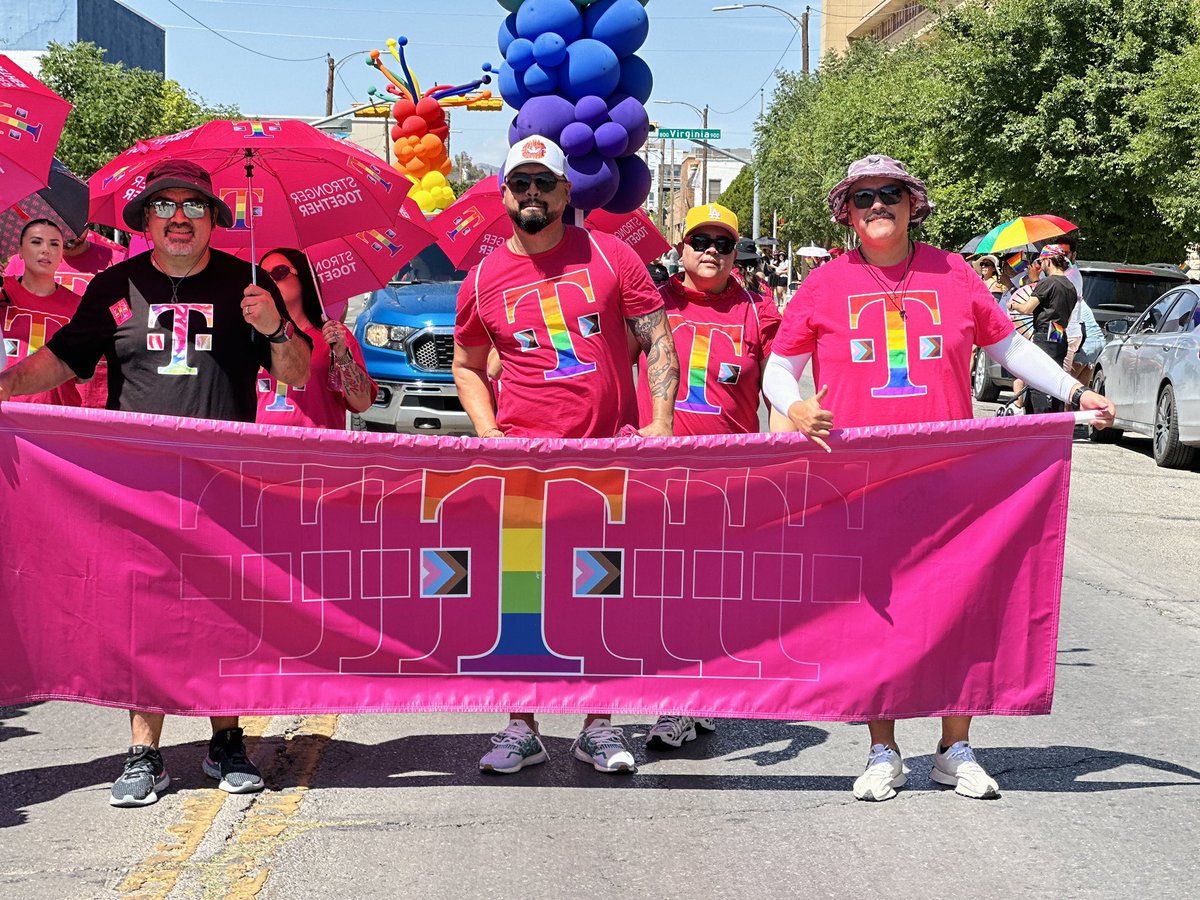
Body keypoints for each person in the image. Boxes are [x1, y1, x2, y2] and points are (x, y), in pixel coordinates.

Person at [762, 153, 1114, 802]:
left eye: (889, 193)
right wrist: (795, 405)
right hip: (863, 481)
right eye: (862, 197)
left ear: (911, 203)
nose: (876, 206)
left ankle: (954, 748)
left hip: (951, 482)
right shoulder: (824, 283)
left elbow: (1007, 348)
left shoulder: (953, 273)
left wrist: (1072, 391)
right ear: (845, 211)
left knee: (959, 610)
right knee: (876, 618)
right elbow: (778, 368)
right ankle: (882, 750)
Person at [0, 160, 312, 808]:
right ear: (145, 221)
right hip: (136, 488)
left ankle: (227, 743)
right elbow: (65, 357)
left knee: (223, 613)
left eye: (194, 208)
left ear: (213, 222)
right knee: (143, 616)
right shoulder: (115, 286)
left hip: (225, 483)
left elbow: (300, 374)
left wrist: (275, 328)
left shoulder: (247, 287)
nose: (179, 218)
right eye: (165, 207)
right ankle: (144, 754)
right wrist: (4, 386)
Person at [452, 135, 679, 775]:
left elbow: (656, 339)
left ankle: (598, 726)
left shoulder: (612, 256)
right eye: (520, 183)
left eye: (543, 182)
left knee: (598, 592)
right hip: (523, 467)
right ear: (504, 194)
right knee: (522, 597)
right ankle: (522, 725)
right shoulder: (484, 276)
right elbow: (466, 365)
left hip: (605, 461)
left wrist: (659, 422)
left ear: (565, 191)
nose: (532, 193)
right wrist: (489, 436)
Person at [637, 203, 780, 751]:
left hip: (727, 476)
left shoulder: (757, 310)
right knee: (663, 587)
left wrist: (783, 459)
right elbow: (606, 357)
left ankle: (690, 694)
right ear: (681, 245)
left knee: (706, 592)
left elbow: (779, 388)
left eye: (723, 242)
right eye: (701, 240)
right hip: (659, 472)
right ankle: (675, 699)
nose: (712, 251)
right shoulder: (654, 303)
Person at [256, 247, 377, 428]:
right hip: (260, 450)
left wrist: (342, 354)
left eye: (279, 272)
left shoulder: (333, 335)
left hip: (317, 451)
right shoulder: (251, 336)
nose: (271, 282)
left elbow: (362, 403)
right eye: (263, 277)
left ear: (303, 277)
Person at [0, 219, 88, 406]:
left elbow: (84, 374)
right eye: (36, 242)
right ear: (20, 251)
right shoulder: (2, 291)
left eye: (54, 244)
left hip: (55, 420)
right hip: (5, 412)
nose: (46, 249)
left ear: (61, 254)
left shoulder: (79, 307)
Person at [1008, 245, 1077, 413]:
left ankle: (1040, 420)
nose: (1040, 266)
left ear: (1048, 260)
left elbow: (1027, 308)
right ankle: (1055, 419)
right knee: (1056, 379)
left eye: (1041, 261)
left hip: (1045, 333)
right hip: (1060, 333)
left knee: (1036, 378)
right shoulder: (1070, 285)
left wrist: (1013, 304)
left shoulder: (1048, 282)